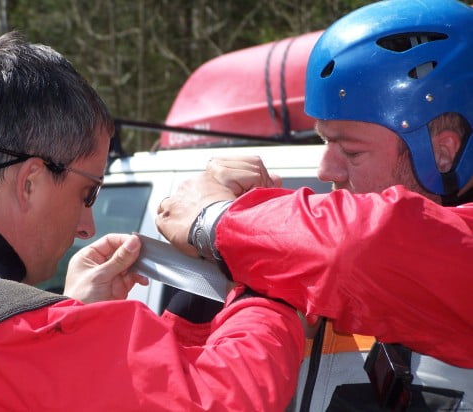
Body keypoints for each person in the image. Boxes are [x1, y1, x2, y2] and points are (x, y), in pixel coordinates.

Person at [0, 31, 306, 411]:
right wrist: (272, 270)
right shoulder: (11, 330)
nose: (87, 227)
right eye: (88, 193)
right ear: (30, 183)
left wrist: (70, 313)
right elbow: (223, 400)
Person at [156, 0, 473, 410]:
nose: (325, 170)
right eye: (323, 141)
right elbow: (187, 388)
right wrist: (231, 265)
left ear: (442, 153)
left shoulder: (374, 252)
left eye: (351, 151)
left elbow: (366, 247)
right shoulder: (315, 246)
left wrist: (216, 220)